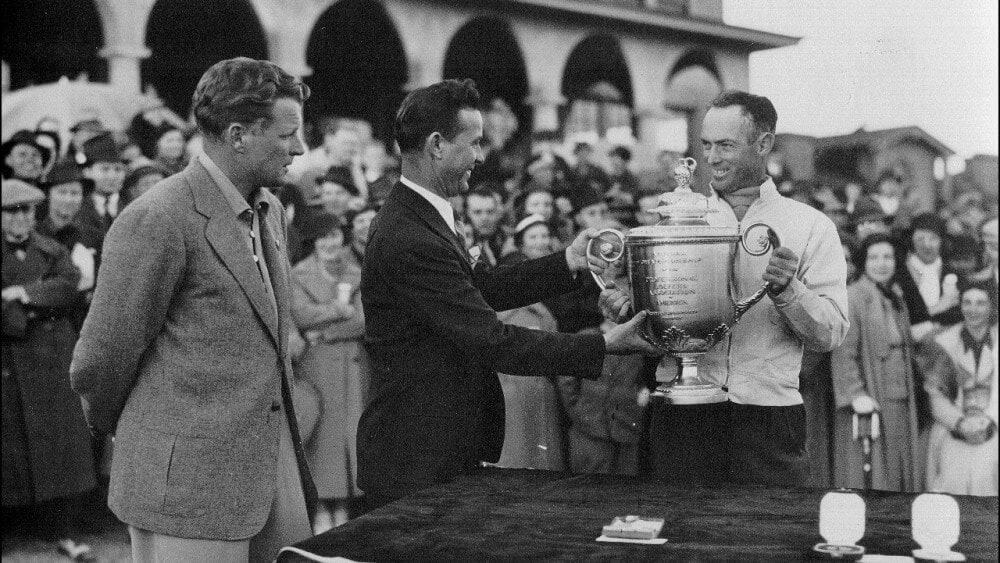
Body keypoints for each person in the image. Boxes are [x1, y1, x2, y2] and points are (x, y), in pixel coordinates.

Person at [356, 78, 659, 510]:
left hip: (436, 448)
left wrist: (568, 261)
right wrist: (603, 345)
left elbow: (480, 288)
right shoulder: (409, 234)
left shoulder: (422, 215)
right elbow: (489, 339)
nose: (480, 157)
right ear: (438, 144)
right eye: (474, 143)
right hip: (418, 457)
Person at [70, 57, 317, 562]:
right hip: (187, 489)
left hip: (272, 477)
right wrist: (152, 436)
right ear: (238, 134)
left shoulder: (269, 212)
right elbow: (100, 361)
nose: (299, 147)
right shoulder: (158, 218)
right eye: (288, 134)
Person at [599, 90, 849, 487]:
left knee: (766, 541)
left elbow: (830, 333)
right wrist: (627, 308)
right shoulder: (673, 222)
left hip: (768, 417)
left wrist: (790, 291)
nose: (712, 159)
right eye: (707, 145)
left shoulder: (811, 226)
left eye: (726, 145)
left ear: (763, 144)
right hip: (682, 414)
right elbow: (654, 322)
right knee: (682, 542)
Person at [2, 179, 96, 561]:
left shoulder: (50, 248)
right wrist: (25, 312)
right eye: (11, 210)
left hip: (49, 360)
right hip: (7, 360)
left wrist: (22, 294)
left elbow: (69, 284)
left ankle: (62, 531)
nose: (21, 218)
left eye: (27, 210)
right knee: (9, 446)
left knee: (57, 446)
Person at [291, 213, 365, 532]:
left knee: (348, 437)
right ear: (313, 241)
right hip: (317, 369)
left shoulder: (356, 272)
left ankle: (344, 509)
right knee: (322, 439)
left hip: (350, 367)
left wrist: (328, 332)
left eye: (335, 235)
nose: (330, 242)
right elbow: (300, 314)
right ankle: (322, 511)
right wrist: (337, 310)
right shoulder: (298, 273)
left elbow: (364, 319)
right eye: (323, 236)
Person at [831, 233, 920, 491]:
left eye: (888, 257)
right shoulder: (854, 296)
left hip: (899, 394)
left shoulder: (895, 296)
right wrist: (855, 393)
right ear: (864, 262)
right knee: (871, 467)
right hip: (871, 391)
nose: (882, 263)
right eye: (874, 257)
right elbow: (843, 351)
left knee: (899, 462)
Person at [917, 280, 997, 496]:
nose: (973, 309)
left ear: (992, 306)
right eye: (967, 302)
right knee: (952, 478)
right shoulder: (943, 343)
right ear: (960, 306)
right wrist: (960, 423)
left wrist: (989, 421)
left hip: (993, 425)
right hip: (954, 426)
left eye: (981, 303)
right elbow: (935, 396)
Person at [896, 212, 962, 339]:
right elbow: (900, 318)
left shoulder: (955, 275)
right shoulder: (900, 275)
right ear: (911, 241)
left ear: (942, 241)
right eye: (920, 239)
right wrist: (939, 306)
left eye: (933, 238)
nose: (927, 245)